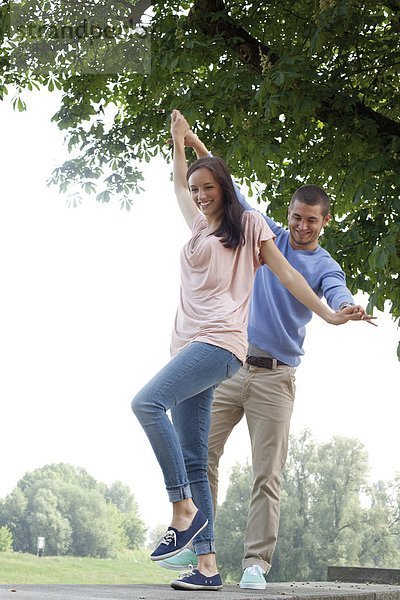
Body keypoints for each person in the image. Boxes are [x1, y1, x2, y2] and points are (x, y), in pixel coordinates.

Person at [131, 110, 370, 591]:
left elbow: (302, 278)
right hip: (207, 357)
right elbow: (191, 185)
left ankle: (207, 528)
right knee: (200, 457)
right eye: (296, 217)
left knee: (154, 407)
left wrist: (334, 312)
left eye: (311, 221)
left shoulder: (255, 232)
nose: (301, 227)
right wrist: (185, 139)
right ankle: (206, 565)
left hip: (249, 361)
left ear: (324, 223)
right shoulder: (210, 225)